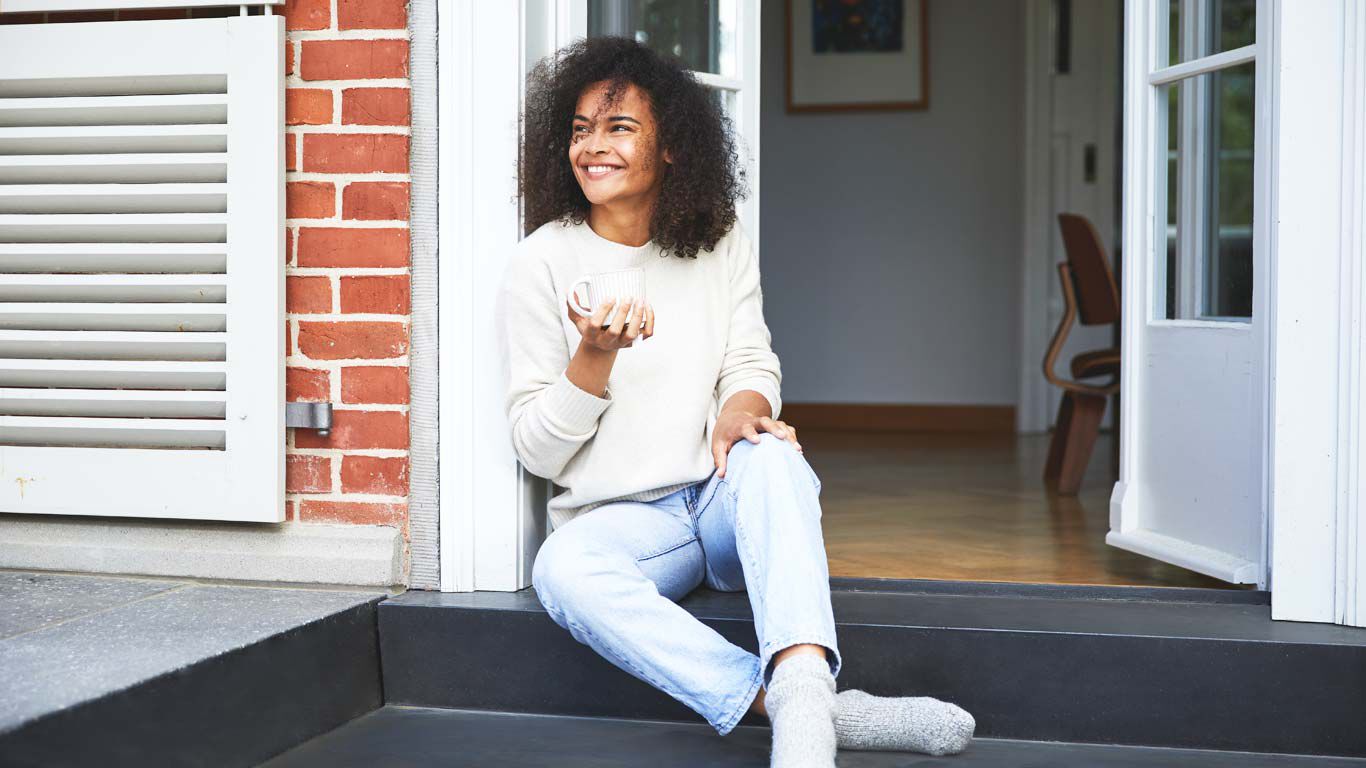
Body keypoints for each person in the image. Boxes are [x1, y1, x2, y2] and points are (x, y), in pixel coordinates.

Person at [495, 35, 976, 768]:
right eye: (581, 129)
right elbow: (537, 446)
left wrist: (742, 409)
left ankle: (805, 680)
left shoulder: (716, 241)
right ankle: (799, 706)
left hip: (718, 496)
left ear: (672, 150)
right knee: (561, 572)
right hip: (625, 522)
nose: (593, 147)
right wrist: (595, 356)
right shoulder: (541, 263)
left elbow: (750, 359)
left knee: (774, 455)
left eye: (620, 128)